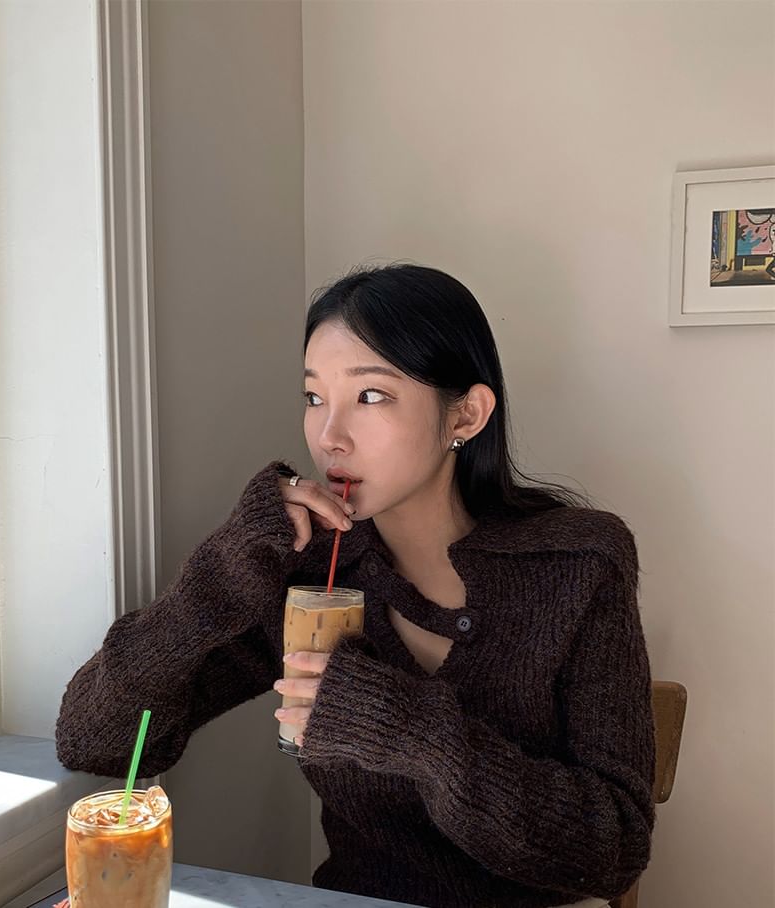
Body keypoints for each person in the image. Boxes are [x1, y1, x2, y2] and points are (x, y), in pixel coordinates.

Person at [56, 264, 655, 908]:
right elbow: (95, 740)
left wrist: (408, 728)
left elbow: (612, 851)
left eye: (370, 396)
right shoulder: (310, 571)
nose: (329, 437)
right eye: (315, 397)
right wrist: (216, 578)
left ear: (466, 414)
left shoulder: (577, 564)